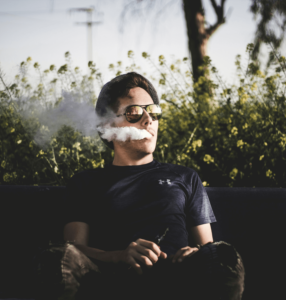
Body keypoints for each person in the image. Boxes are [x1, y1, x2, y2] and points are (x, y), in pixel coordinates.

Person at [34, 72, 245, 300]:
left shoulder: (185, 177)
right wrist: (119, 256)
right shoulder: (86, 182)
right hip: (109, 283)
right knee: (57, 257)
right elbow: (73, 250)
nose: (148, 120)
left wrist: (196, 253)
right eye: (134, 112)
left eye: (153, 111)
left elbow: (209, 250)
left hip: (178, 284)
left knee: (223, 255)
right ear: (107, 124)